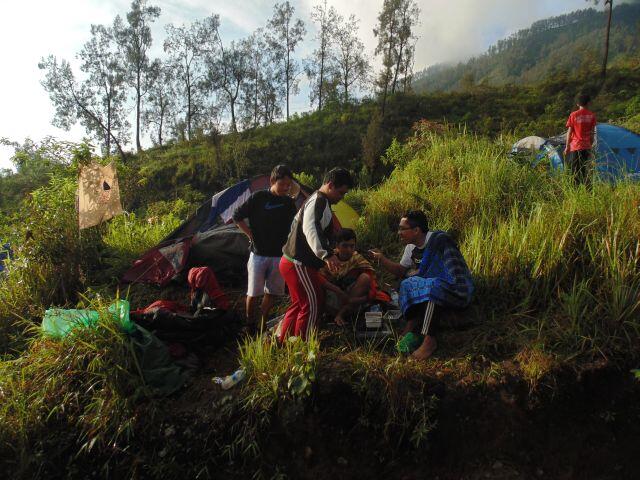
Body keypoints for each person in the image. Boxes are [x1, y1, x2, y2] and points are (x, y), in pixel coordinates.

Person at [370, 210, 473, 360]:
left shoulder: (439, 240)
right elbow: (400, 271)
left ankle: (429, 340)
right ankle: (411, 326)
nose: (399, 232)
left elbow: (452, 271)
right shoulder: (410, 248)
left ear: (416, 230)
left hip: (452, 286)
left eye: (402, 228)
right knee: (406, 284)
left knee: (431, 287)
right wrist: (382, 259)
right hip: (431, 284)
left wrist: (422, 276)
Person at [279, 167, 354, 342]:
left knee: (299, 304)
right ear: (330, 185)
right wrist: (326, 255)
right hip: (298, 262)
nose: (341, 197)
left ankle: (285, 342)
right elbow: (310, 227)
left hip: (294, 262)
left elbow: (323, 231)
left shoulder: (323, 202)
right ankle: (304, 348)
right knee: (313, 305)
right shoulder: (318, 200)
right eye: (341, 192)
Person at [233, 165, 298, 333]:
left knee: (273, 292)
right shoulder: (258, 198)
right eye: (282, 184)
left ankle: (262, 323)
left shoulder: (289, 203)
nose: (285, 188)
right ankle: (249, 323)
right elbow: (237, 216)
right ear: (272, 181)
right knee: (253, 292)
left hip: (280, 256)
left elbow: (295, 227)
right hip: (258, 255)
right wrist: (250, 234)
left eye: (288, 185)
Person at [320, 228, 386, 326]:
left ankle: (341, 314)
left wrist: (358, 299)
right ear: (337, 246)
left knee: (365, 277)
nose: (349, 250)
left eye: (352, 246)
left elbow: (371, 282)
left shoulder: (357, 258)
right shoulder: (329, 258)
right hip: (333, 297)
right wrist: (338, 291)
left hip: (350, 299)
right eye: (345, 246)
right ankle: (332, 315)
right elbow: (321, 282)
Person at [564, 93, 597, 185]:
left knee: (574, 170)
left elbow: (569, 132)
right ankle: (584, 189)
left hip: (575, 146)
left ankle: (575, 190)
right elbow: (592, 134)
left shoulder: (573, 115)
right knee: (583, 169)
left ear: (578, 104)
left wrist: (567, 147)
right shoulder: (592, 115)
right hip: (586, 147)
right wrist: (590, 145)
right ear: (588, 103)